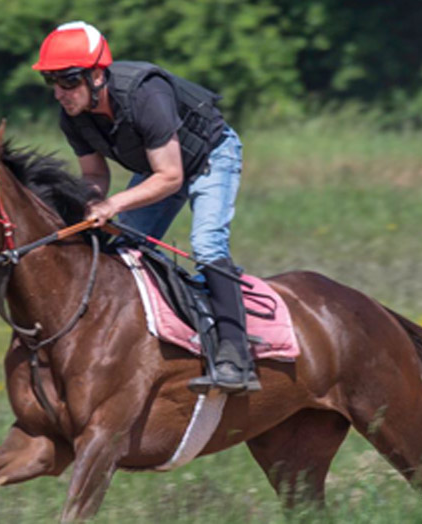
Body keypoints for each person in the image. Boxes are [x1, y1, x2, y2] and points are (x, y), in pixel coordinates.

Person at [32, 21, 260, 394]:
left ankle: (237, 358)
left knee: (206, 245)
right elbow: (93, 174)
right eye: (52, 82)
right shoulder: (73, 116)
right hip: (158, 169)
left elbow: (170, 177)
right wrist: (91, 202)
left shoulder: (144, 94)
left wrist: (113, 203)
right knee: (122, 249)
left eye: (68, 80)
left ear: (97, 76)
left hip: (209, 156)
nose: (60, 93)